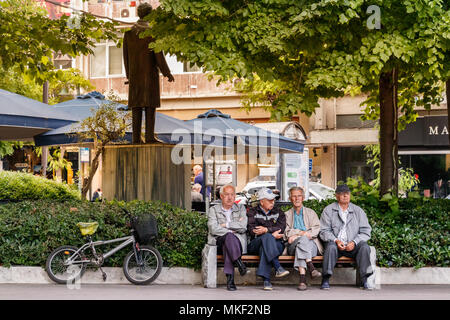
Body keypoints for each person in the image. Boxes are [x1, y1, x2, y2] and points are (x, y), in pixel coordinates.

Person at [123, 3, 175, 144]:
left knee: (136, 107)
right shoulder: (152, 33)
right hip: (149, 75)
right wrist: (167, 72)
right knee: (150, 107)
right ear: (150, 14)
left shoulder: (128, 33)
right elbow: (158, 56)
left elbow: (125, 57)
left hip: (135, 77)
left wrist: (129, 75)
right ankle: (150, 137)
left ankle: (135, 138)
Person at [319, 184, 373, 290]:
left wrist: (354, 242)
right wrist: (336, 240)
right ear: (336, 196)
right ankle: (325, 278)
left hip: (352, 245)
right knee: (330, 247)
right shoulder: (328, 210)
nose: (345, 196)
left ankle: (365, 279)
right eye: (342, 194)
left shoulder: (358, 211)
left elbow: (366, 231)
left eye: (347, 194)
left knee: (364, 247)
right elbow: (323, 231)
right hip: (335, 244)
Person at [207, 184, 248, 291]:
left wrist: (226, 225)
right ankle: (238, 263)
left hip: (237, 241)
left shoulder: (241, 208)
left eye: (232, 195)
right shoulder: (214, 209)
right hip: (218, 241)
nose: (230, 197)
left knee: (228, 243)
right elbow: (213, 229)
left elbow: (243, 227)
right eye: (226, 195)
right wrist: (233, 227)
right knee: (229, 237)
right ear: (221, 196)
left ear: (235, 196)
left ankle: (231, 281)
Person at [247, 187, 289, 291]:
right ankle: (277, 266)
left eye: (273, 200)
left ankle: (267, 281)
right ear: (261, 202)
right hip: (255, 243)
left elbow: (281, 228)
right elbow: (252, 230)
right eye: (270, 200)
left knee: (265, 247)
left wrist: (266, 230)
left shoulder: (279, 212)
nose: (273, 202)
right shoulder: (252, 212)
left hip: (276, 243)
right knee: (266, 238)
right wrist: (271, 233)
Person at [284, 187, 323, 291]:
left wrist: (297, 235)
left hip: (311, 246)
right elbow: (286, 232)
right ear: (290, 198)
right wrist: (301, 233)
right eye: (294, 196)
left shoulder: (311, 213)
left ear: (303, 198)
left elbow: (316, 229)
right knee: (303, 240)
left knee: (302, 243)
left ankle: (302, 280)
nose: (297, 198)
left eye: (299, 196)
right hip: (293, 245)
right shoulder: (287, 215)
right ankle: (311, 266)